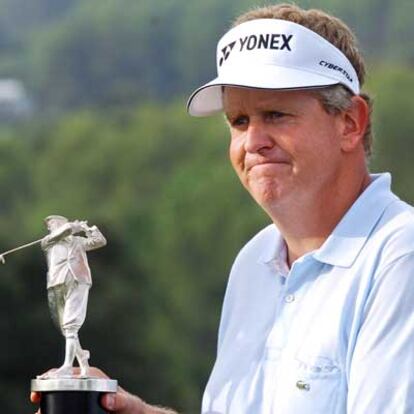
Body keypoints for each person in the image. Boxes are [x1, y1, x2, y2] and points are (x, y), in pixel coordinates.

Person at [32, 3, 414, 413]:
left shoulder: (400, 257)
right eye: (239, 121)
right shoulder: (255, 262)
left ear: (350, 122)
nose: (253, 141)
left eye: (276, 115)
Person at [40, 215, 107, 378]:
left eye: (53, 224)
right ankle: (83, 360)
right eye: (49, 226)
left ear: (61, 223)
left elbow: (100, 241)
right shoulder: (48, 241)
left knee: (70, 326)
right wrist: (73, 226)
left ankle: (67, 367)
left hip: (79, 281)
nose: (50, 228)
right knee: (65, 328)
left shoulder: (78, 241)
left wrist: (90, 230)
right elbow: (64, 231)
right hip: (58, 283)